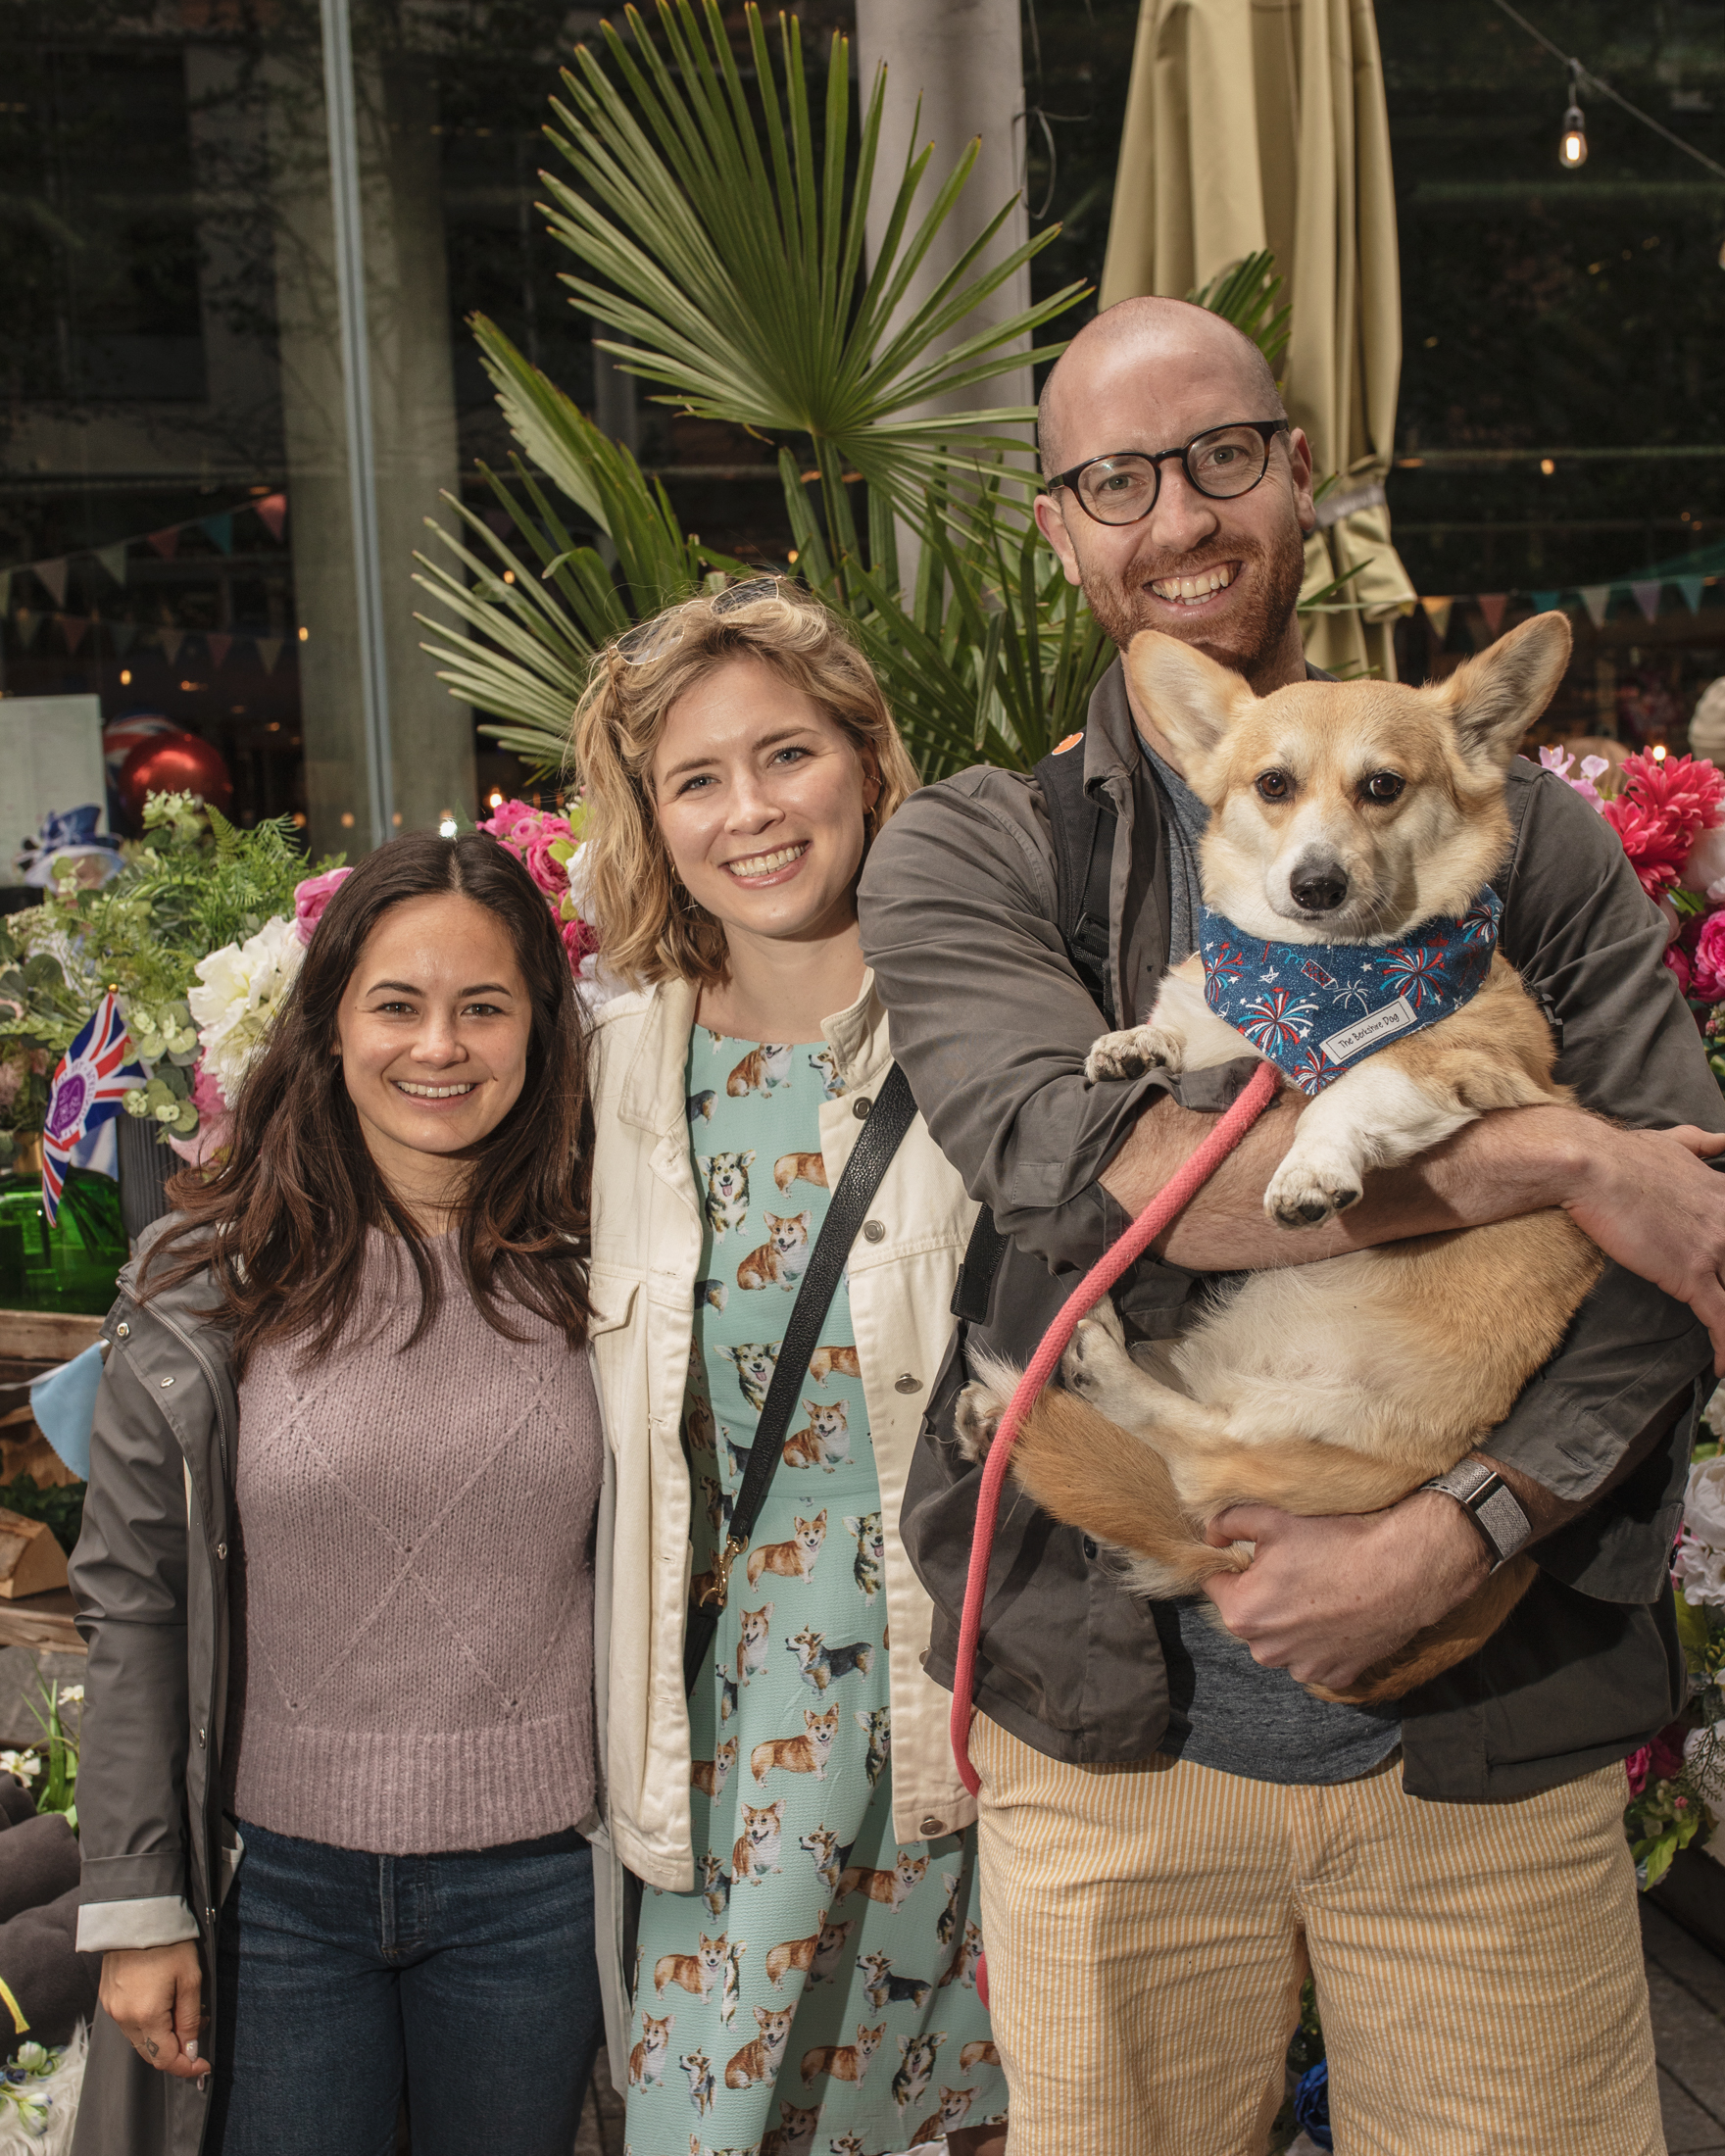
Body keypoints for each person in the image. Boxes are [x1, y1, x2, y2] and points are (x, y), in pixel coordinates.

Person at [857, 295, 1725, 2156]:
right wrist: (1543, 1160)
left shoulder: (1528, 845)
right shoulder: (978, 850)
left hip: (1487, 1727)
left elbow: (1691, 1241)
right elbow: (1074, 1166)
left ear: (1299, 475)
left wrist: (1463, 1527)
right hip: (1104, 1741)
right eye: (1115, 479)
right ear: (1060, 525)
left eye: (1222, 459)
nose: (1178, 518)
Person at [70, 833, 610, 2156]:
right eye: (398, 1005)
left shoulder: (616, 1262)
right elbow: (133, 1601)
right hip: (277, 1893)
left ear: (543, 1029)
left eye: (484, 1006)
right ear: (328, 1024)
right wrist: (137, 1902)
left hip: (541, 1888)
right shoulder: (204, 1276)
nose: (441, 1046)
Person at [574, 581, 1009, 2156]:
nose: (748, 812)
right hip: (716, 1726)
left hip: (970, 1698)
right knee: (709, 2117)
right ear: (651, 814)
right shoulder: (611, 1074)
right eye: (697, 778)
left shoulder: (990, 1033)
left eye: (787, 755)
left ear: (869, 764)